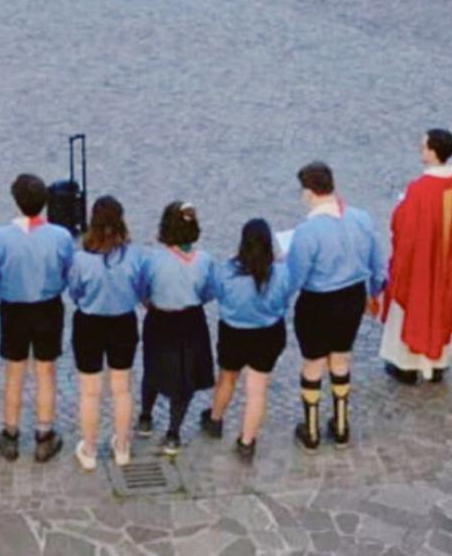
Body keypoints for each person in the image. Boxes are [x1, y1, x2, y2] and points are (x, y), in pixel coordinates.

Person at [284, 161, 387, 451]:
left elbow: (296, 277)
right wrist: (374, 291)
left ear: (308, 192)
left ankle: (312, 430)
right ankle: (341, 425)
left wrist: (280, 303)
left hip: (318, 302)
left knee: (314, 362)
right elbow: (378, 264)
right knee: (341, 358)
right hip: (352, 297)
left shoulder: (307, 231)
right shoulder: (361, 219)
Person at [379, 129, 452, 384]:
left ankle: (408, 365)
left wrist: (401, 206)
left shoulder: (420, 190)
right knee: (444, 308)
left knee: (416, 308)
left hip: (422, 266)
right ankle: (438, 364)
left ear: (433, 153)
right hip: (451, 263)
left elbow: (403, 228)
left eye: (424, 146)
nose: (420, 149)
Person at [0, 173, 74, 465]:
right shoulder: (60, 236)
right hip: (48, 307)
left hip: (13, 309)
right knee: (46, 372)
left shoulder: (1, 237)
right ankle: (44, 432)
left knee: (14, 373)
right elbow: (67, 271)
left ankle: (10, 433)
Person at [201, 218, 292, 462]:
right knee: (257, 390)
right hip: (268, 333)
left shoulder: (226, 272)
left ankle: (215, 419)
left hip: (234, 333)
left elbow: (211, 294)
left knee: (227, 378)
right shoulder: (281, 273)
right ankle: (247, 441)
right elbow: (285, 300)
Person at [66, 195, 145, 471]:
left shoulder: (81, 259)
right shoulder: (134, 256)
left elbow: (74, 291)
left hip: (89, 324)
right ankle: (122, 446)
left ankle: (88, 449)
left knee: (90, 392)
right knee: (122, 388)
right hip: (123, 322)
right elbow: (141, 288)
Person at [135, 201, 216, 456]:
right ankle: (173, 432)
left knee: (153, 367)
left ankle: (146, 417)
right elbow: (208, 291)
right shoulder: (204, 260)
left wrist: (151, 304)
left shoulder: (153, 260)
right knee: (186, 377)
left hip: (160, 320)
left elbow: (142, 290)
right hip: (191, 321)